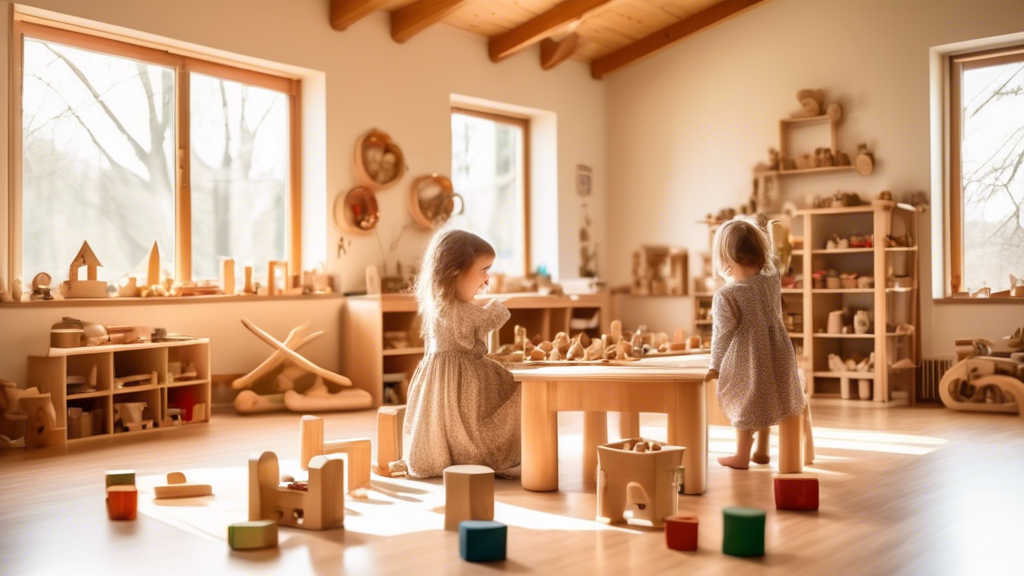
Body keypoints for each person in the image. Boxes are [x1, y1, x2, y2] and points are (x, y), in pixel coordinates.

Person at [389, 228, 521, 478]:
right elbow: (490, 317)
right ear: (454, 272)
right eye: (484, 270)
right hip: (460, 383)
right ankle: (478, 453)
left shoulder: (440, 306)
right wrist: (504, 303)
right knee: (521, 390)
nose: (487, 279)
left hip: (447, 379)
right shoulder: (455, 310)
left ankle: (453, 452)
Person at [705, 216, 805, 469]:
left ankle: (741, 455)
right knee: (769, 395)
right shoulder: (771, 278)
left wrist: (715, 366)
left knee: (746, 400)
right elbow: (774, 258)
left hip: (748, 356)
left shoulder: (726, 294)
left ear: (726, 259)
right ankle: (761, 450)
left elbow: (722, 335)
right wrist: (769, 231)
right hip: (778, 351)